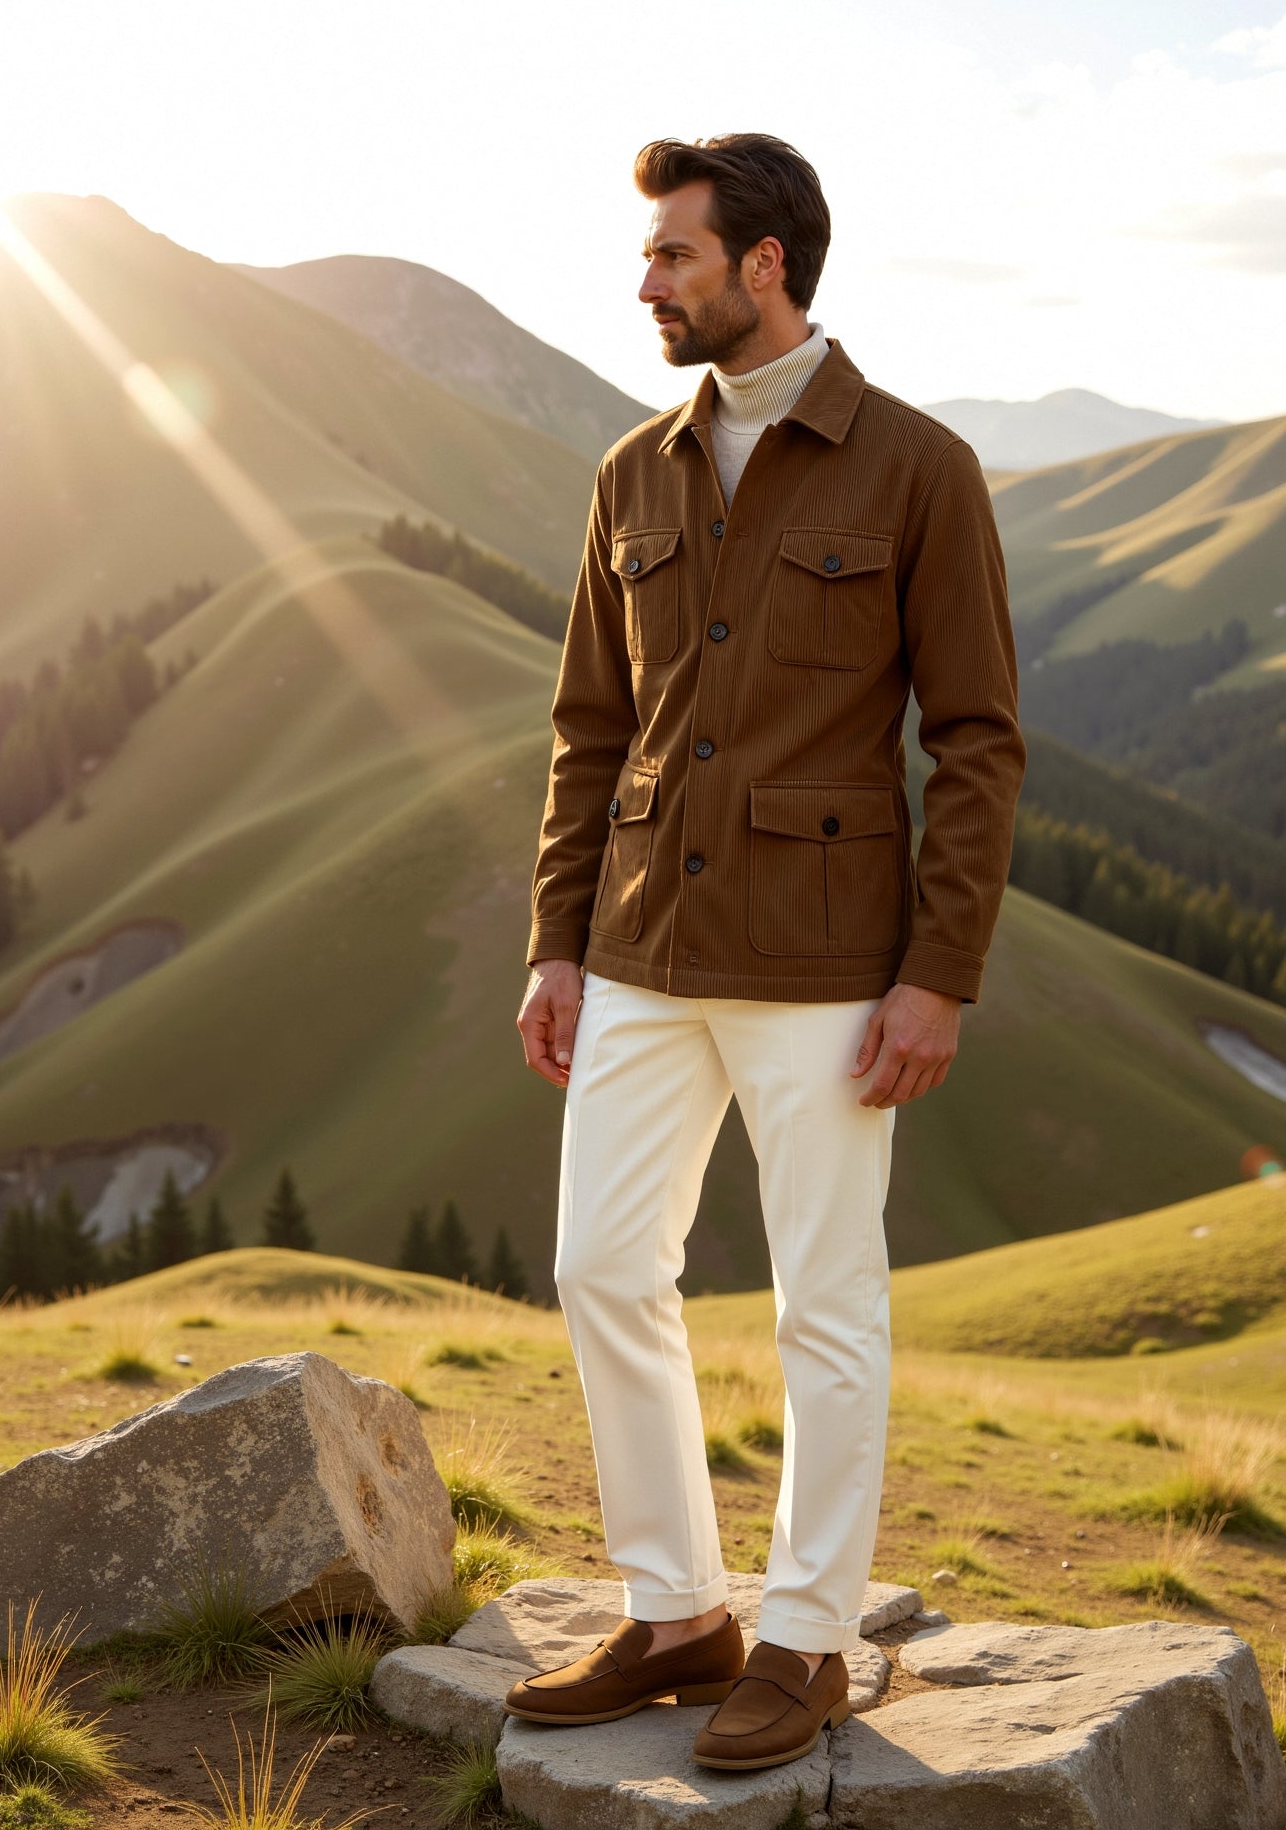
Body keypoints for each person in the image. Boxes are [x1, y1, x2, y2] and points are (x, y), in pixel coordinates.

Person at [510, 132, 1026, 1772]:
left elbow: (977, 740)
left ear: (764, 264)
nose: (645, 284)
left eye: (672, 255)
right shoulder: (631, 472)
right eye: (649, 255)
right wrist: (555, 944)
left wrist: (937, 972)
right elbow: (589, 730)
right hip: (639, 947)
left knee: (826, 1303)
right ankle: (678, 1615)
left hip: (828, 966)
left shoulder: (918, 467)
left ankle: (804, 1640)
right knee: (602, 1268)